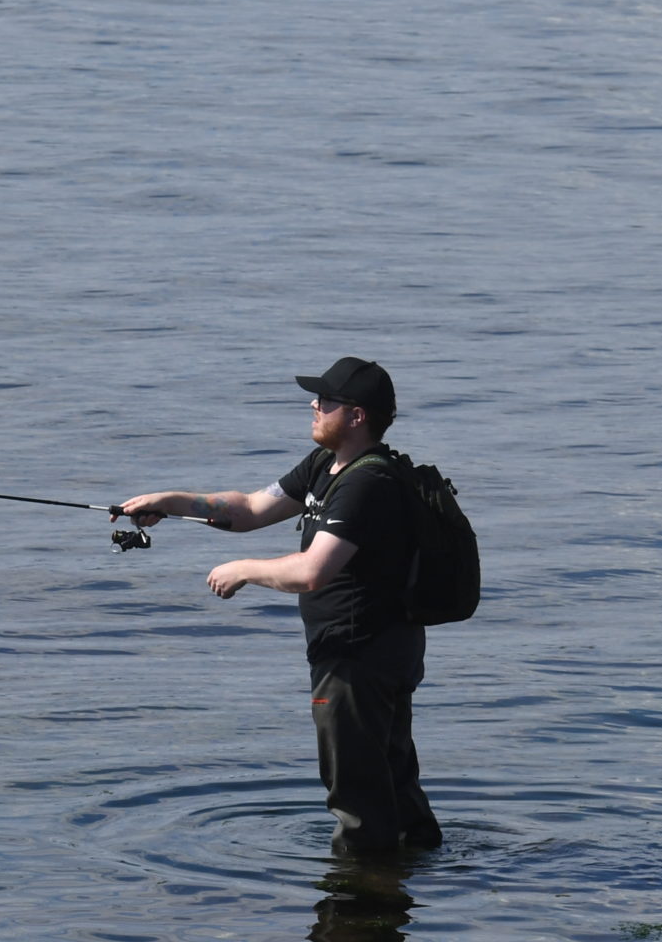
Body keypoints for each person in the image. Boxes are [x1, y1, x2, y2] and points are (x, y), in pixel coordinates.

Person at [119, 357, 441, 855]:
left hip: (360, 657)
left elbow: (313, 570)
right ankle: (416, 870)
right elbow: (249, 509)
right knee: (391, 779)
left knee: (356, 788)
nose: (314, 405)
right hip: (371, 651)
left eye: (326, 400)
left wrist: (243, 569)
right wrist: (172, 500)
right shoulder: (325, 466)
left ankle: (359, 902)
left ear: (356, 416)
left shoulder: (365, 484)